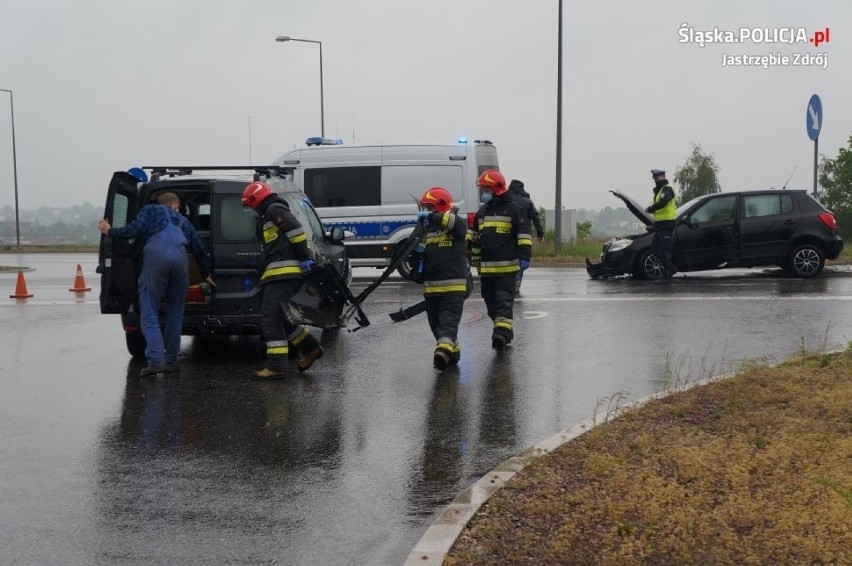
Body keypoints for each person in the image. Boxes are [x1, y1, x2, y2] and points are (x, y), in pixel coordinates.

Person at [98, 192, 215, 377]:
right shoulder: (184, 221)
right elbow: (198, 248)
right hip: (180, 259)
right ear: (175, 205)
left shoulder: (150, 210)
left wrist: (110, 231)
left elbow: (133, 230)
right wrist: (206, 273)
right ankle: (171, 361)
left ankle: (155, 361)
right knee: (175, 313)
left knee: (149, 310)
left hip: (157, 256)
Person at [241, 181, 325, 380]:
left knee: (269, 318)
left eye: (250, 204)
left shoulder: (273, 209)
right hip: (279, 273)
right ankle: (311, 348)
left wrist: (304, 257)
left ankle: (276, 367)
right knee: (281, 318)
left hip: (283, 273)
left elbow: (295, 231)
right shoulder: (269, 212)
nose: (250, 208)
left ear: (255, 199)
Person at [469, 170, 532, 350]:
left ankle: (500, 335)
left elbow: (524, 235)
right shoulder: (482, 212)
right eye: (483, 189)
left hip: (507, 269)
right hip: (487, 270)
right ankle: (505, 331)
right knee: (491, 306)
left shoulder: (513, 209)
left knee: (504, 302)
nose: (483, 193)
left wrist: (525, 257)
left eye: (486, 189)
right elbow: (474, 237)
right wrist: (474, 257)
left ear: (496, 188)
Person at [410, 187, 470, 370]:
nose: (427, 212)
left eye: (430, 208)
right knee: (437, 327)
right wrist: (416, 251)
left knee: (448, 322)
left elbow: (457, 227)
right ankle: (453, 352)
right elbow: (417, 253)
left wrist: (430, 217)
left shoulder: (457, 223)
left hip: (454, 288)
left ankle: (441, 353)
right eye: (425, 209)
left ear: (441, 207)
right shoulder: (428, 229)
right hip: (431, 289)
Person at [508, 179, 544, 294]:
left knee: (510, 257)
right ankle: (518, 278)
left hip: (508, 235)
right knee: (523, 258)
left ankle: (512, 280)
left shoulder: (506, 200)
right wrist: (540, 234)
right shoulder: (527, 202)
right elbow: (536, 218)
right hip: (524, 235)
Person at [644, 169, 677, 279]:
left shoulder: (667, 189)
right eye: (654, 178)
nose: (655, 180)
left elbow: (663, 202)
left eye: (656, 178)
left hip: (667, 224)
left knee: (664, 250)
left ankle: (668, 273)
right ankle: (670, 268)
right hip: (660, 225)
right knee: (654, 249)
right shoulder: (659, 190)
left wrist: (651, 208)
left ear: (663, 177)